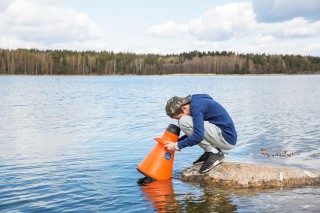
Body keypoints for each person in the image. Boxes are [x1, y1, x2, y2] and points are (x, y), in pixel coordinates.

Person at [164, 94, 237, 174]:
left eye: (178, 117)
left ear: (184, 108)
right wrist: (177, 142)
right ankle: (210, 152)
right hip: (222, 135)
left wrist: (176, 146)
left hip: (226, 138)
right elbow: (197, 130)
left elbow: (198, 135)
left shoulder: (196, 106)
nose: (178, 120)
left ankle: (215, 153)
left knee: (184, 121)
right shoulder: (195, 103)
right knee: (187, 122)